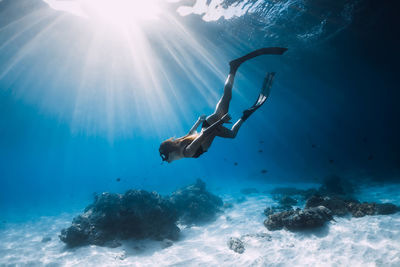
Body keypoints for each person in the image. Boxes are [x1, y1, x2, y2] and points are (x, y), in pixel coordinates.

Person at [159, 47, 287, 163]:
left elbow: (203, 135)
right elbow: (191, 132)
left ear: (170, 153)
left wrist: (220, 121)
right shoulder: (180, 143)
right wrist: (199, 121)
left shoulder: (187, 153)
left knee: (228, 105)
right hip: (209, 125)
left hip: (211, 127)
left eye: (164, 157)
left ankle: (233, 68)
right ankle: (244, 114)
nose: (166, 161)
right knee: (230, 125)